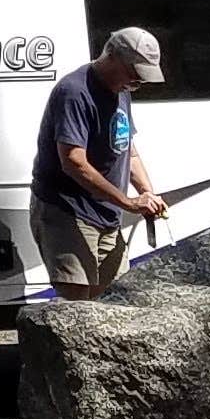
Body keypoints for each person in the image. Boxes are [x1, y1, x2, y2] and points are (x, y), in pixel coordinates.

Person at [32, 27, 168, 297]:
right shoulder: (74, 91)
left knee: (115, 298)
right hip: (68, 211)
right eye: (135, 72)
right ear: (113, 56)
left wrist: (147, 193)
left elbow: (128, 149)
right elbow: (73, 162)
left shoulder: (122, 90)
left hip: (107, 215)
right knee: (79, 304)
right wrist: (128, 203)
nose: (138, 81)